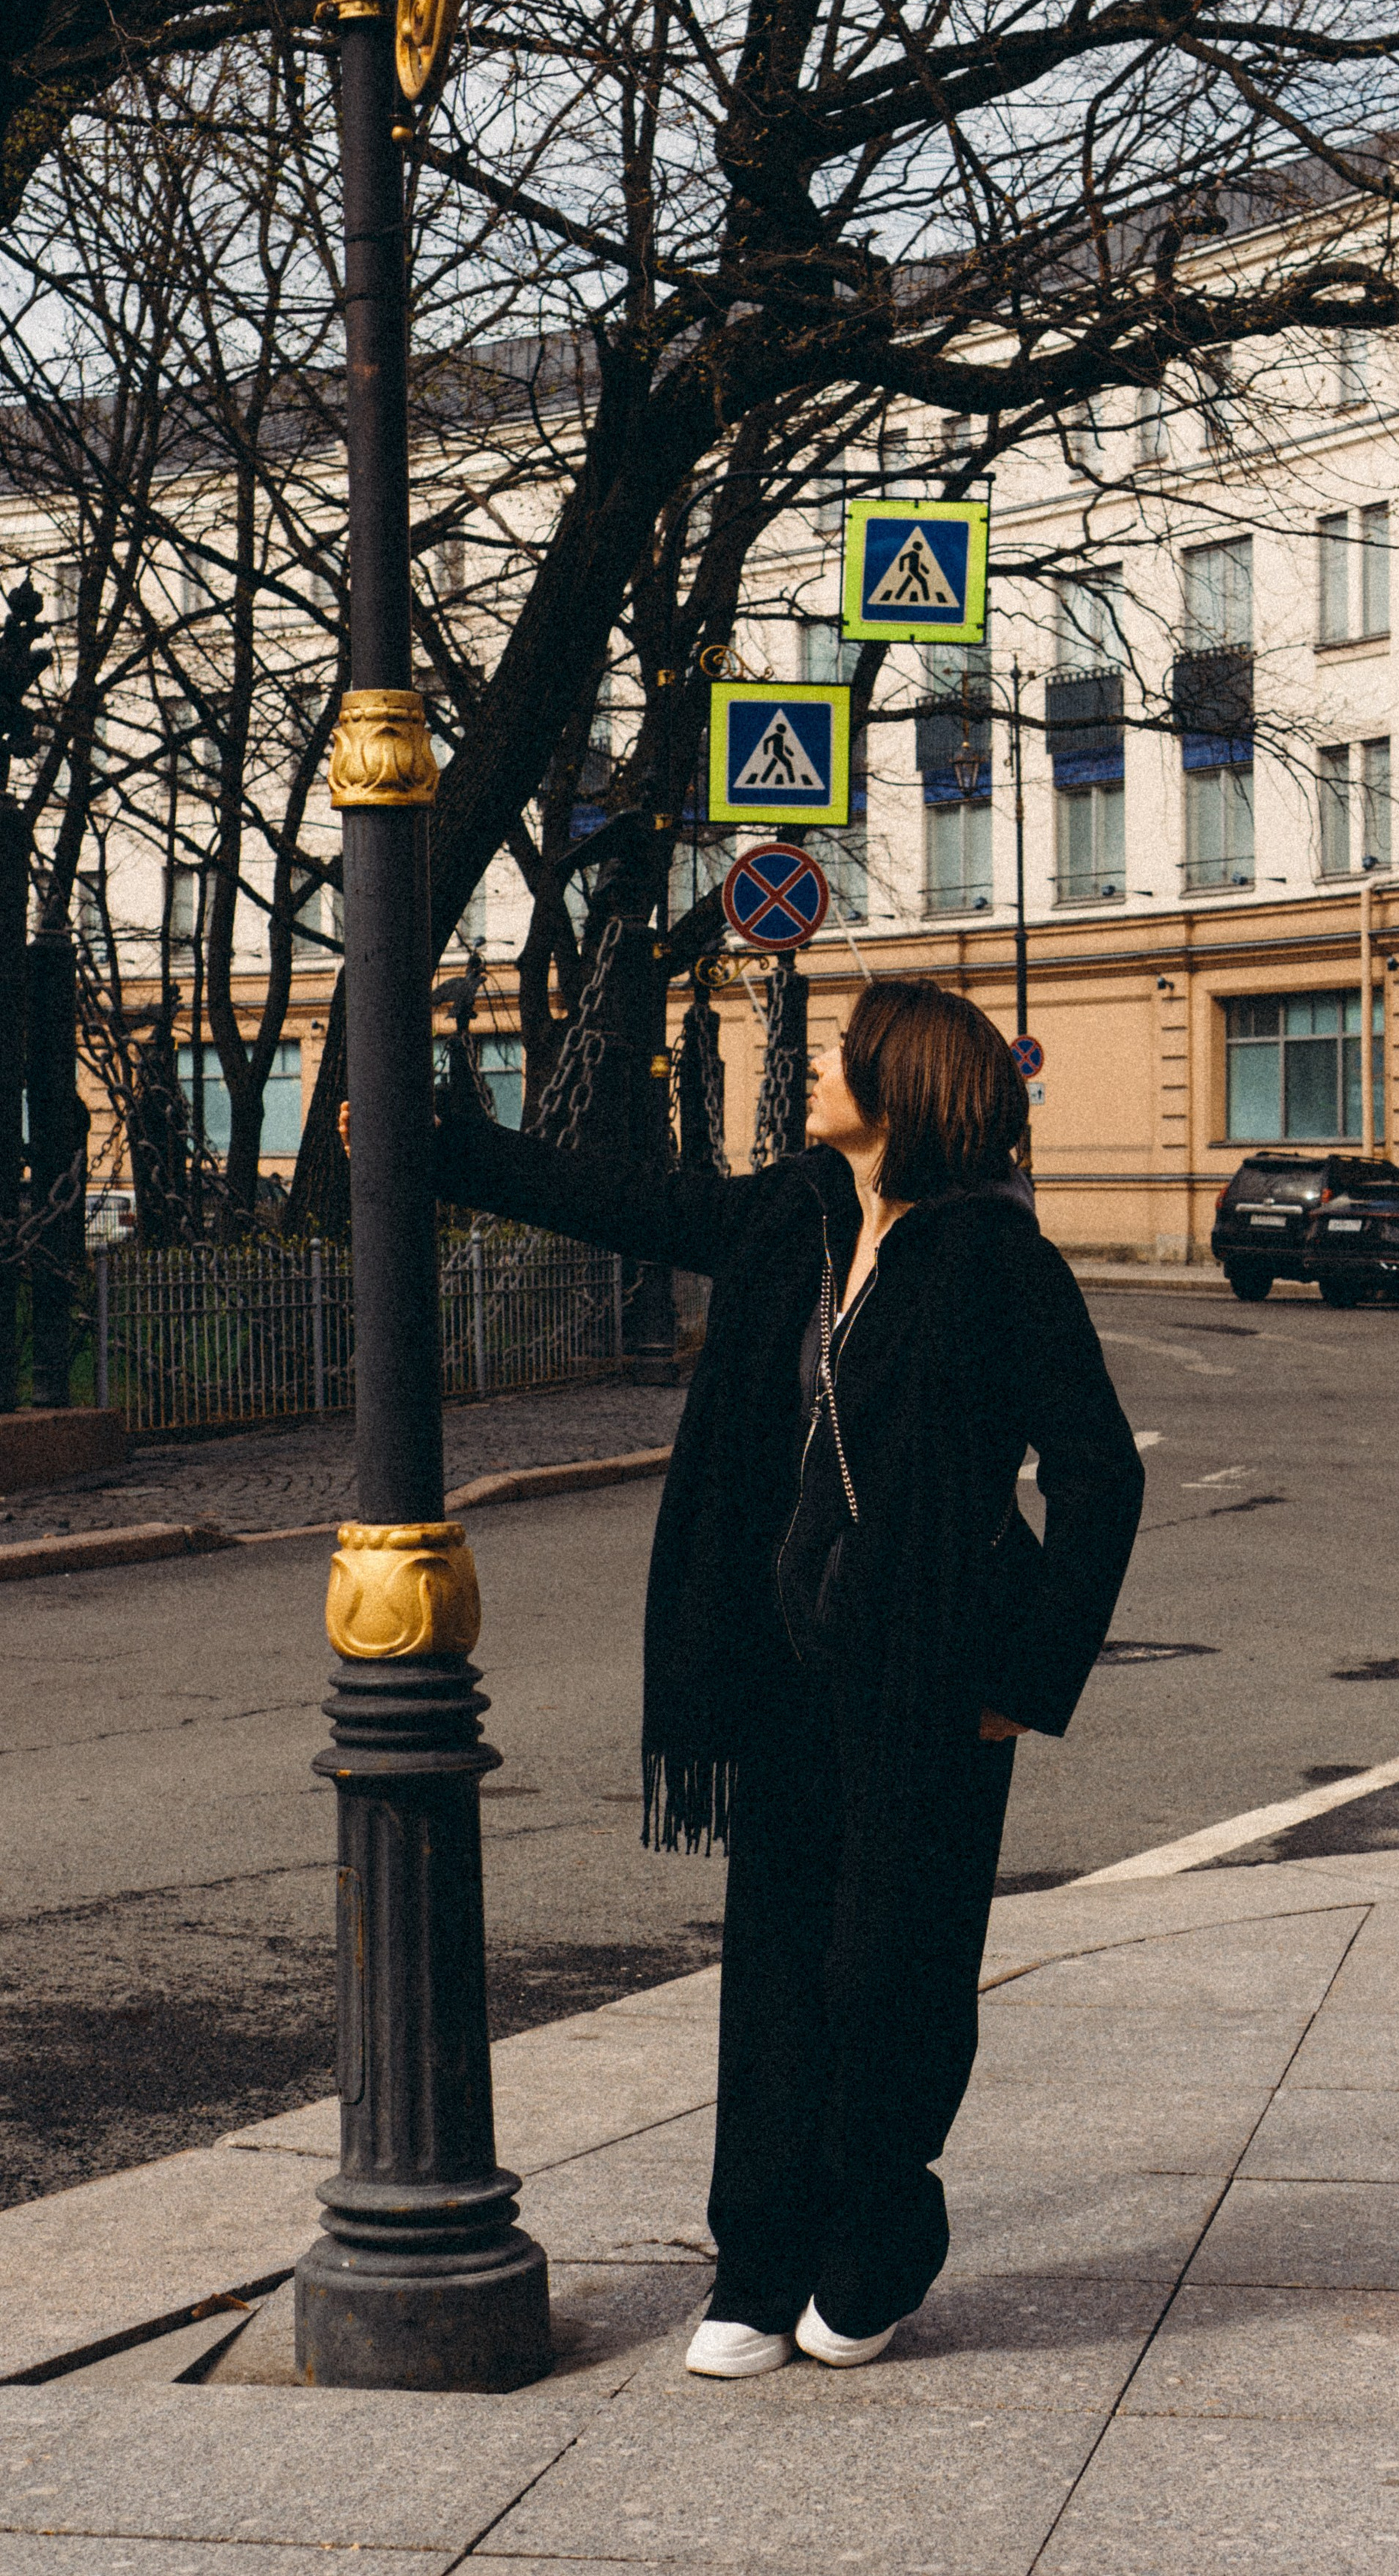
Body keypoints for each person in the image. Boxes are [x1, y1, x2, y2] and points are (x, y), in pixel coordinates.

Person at [430, 978, 1144, 2378]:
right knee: (773, 1971)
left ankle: (877, 2241)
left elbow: (1099, 1475)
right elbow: (633, 1203)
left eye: (838, 1052)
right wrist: (443, 1141)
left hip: (934, 1676)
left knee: (892, 1970)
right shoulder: (796, 1216)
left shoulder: (998, 1262)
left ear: (900, 1088)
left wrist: (1026, 1676)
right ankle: (757, 2263)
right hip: (781, 1662)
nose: (814, 1065)